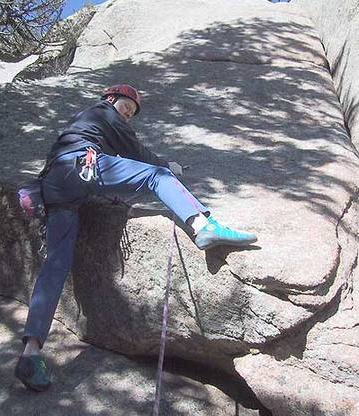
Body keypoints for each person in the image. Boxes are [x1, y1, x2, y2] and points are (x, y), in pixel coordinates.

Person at [15, 84, 257, 391]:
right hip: (82, 166)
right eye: (126, 107)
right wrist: (167, 165)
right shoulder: (103, 112)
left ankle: (31, 352)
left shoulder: (81, 122)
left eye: (132, 113)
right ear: (111, 100)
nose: (128, 115)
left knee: (55, 267)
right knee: (158, 176)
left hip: (56, 188)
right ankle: (203, 226)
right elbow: (137, 155)